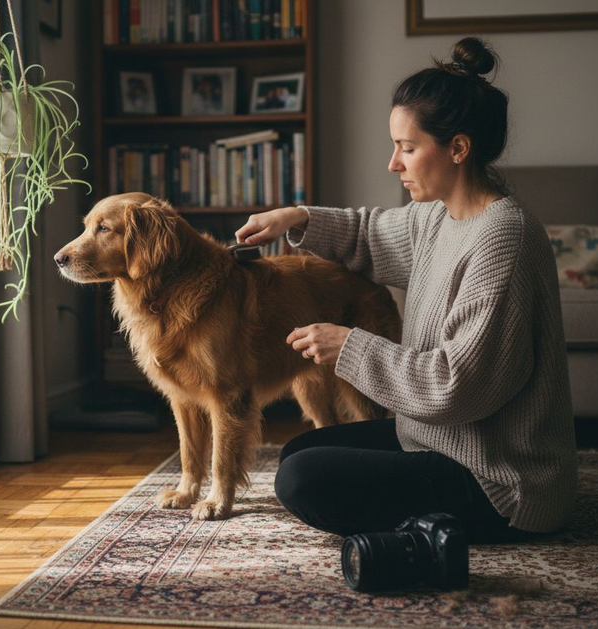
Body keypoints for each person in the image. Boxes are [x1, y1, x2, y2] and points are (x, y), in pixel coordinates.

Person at [234, 37, 577, 544]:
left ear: (458, 148)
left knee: (302, 479)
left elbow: (459, 386)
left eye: (407, 148)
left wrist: (350, 346)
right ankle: (422, 517)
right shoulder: (438, 216)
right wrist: (296, 216)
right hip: (431, 440)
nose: (394, 164)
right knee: (299, 454)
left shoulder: (504, 237)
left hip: (497, 478)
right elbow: (369, 233)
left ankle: (432, 535)